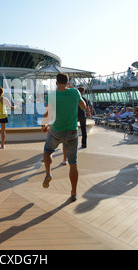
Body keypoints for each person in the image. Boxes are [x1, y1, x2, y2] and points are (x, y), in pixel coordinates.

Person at [41, 73, 86, 202]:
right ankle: (73, 193)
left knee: (47, 151)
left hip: (56, 131)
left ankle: (48, 173)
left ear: (56, 83)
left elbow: (47, 114)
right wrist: (74, 92)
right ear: (67, 83)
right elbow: (83, 106)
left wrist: (44, 126)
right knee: (73, 164)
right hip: (72, 133)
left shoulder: (51, 96)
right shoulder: (75, 93)